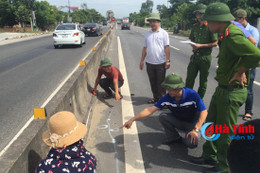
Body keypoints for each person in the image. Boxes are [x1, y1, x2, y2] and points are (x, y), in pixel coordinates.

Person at [190, 3, 260, 173]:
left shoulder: (233, 35)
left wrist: (240, 71)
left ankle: (223, 167)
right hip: (222, 88)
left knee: (225, 132)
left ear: (217, 21)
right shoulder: (225, 33)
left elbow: (256, 55)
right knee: (211, 124)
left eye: (208, 21)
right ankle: (210, 155)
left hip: (231, 91)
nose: (207, 24)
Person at [121, 73, 208, 148]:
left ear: (178, 88)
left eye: (171, 89)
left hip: (194, 123)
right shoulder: (167, 97)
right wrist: (132, 119)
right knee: (163, 116)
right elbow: (150, 109)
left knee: (191, 144)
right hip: (180, 121)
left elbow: (204, 111)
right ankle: (174, 137)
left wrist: (196, 129)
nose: (168, 91)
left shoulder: (192, 94)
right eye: (167, 89)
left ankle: (193, 132)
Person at [185, 3, 218, 99]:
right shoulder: (195, 26)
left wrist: (200, 46)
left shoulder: (210, 27)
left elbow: (215, 43)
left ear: (204, 14)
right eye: (196, 13)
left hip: (205, 57)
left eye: (199, 13)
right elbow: (191, 39)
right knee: (189, 79)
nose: (197, 15)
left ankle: (198, 100)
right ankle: (187, 99)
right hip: (195, 56)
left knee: (203, 81)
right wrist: (192, 44)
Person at [233, 9, 260, 121]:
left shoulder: (253, 31)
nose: (235, 21)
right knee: (235, 87)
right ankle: (233, 110)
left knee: (248, 89)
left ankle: (248, 112)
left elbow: (252, 47)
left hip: (249, 64)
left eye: (237, 19)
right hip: (237, 63)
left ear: (243, 18)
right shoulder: (235, 29)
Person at [140, 13, 170, 104]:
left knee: (161, 84)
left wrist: (168, 60)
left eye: (154, 22)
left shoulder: (163, 33)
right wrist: (141, 61)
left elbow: (167, 47)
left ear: (158, 22)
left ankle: (162, 101)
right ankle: (156, 98)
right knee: (152, 82)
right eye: (151, 22)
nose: (152, 23)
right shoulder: (147, 34)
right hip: (149, 62)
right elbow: (145, 48)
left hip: (160, 62)